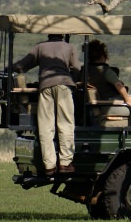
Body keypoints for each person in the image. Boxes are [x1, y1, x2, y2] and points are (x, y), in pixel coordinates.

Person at [12, 33, 82, 176]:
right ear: (62, 34)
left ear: (49, 34)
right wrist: (72, 80)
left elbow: (22, 66)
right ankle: (65, 163)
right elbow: (77, 68)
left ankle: (49, 165)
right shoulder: (69, 47)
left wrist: (9, 66)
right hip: (64, 86)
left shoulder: (40, 47)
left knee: (46, 126)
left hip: (45, 86)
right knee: (66, 124)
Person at [86, 40, 131, 124]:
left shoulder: (85, 70)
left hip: (95, 106)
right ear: (103, 56)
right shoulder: (104, 70)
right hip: (107, 105)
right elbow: (118, 84)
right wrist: (128, 99)